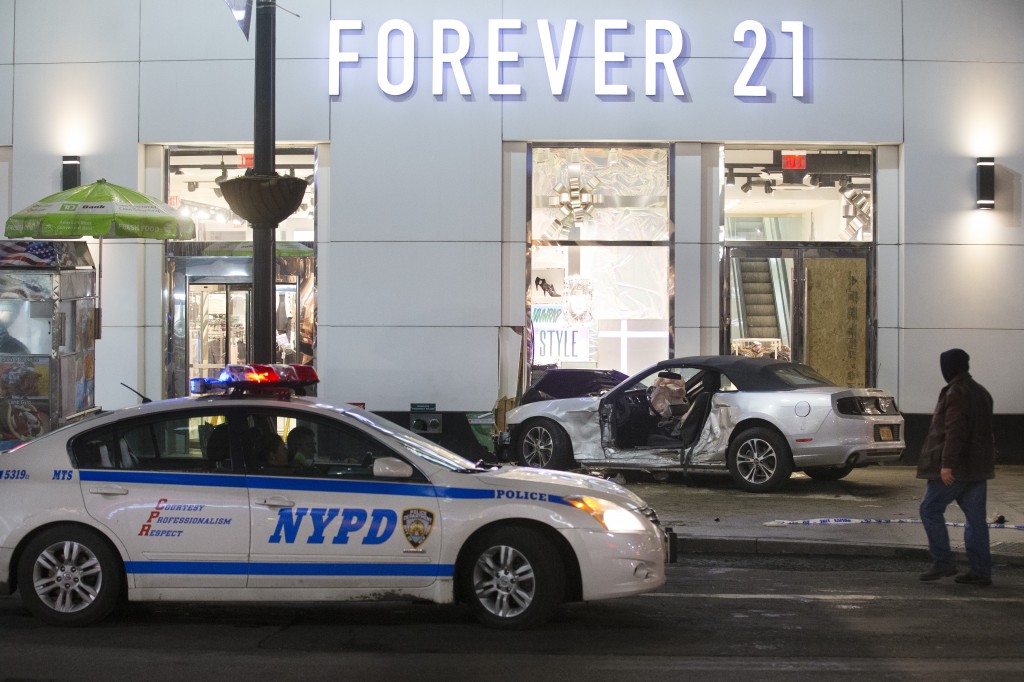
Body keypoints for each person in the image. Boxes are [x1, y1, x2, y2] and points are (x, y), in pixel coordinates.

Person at [917, 348, 996, 586]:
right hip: (977, 468)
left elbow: (955, 432)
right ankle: (981, 571)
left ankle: (943, 561)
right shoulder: (982, 392)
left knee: (929, 509)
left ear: (949, 367)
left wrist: (947, 465)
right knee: (976, 520)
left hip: (957, 469)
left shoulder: (956, 392)